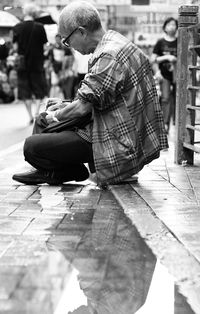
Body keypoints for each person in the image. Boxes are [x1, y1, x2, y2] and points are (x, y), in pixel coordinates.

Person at [12, 1, 168, 187]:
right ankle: (53, 171)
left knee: (32, 145)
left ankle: (61, 170)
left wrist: (55, 115)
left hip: (117, 143)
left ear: (81, 32)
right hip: (119, 131)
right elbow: (95, 98)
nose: (68, 45)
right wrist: (60, 108)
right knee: (43, 119)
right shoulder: (115, 42)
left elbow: (81, 108)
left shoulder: (108, 55)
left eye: (66, 39)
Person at [12, 3, 48, 124]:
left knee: (25, 91)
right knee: (38, 90)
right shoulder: (40, 27)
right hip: (37, 63)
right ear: (34, 13)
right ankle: (37, 112)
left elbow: (15, 47)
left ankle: (29, 116)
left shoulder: (17, 27)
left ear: (25, 13)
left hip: (22, 65)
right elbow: (44, 46)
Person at [151, 17, 178, 134]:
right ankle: (165, 125)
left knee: (178, 99)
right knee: (166, 99)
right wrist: (166, 58)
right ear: (165, 27)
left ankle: (177, 124)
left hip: (178, 75)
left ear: (177, 27)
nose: (172, 27)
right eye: (169, 25)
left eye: (174, 25)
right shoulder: (160, 42)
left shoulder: (180, 41)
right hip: (164, 75)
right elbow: (152, 60)